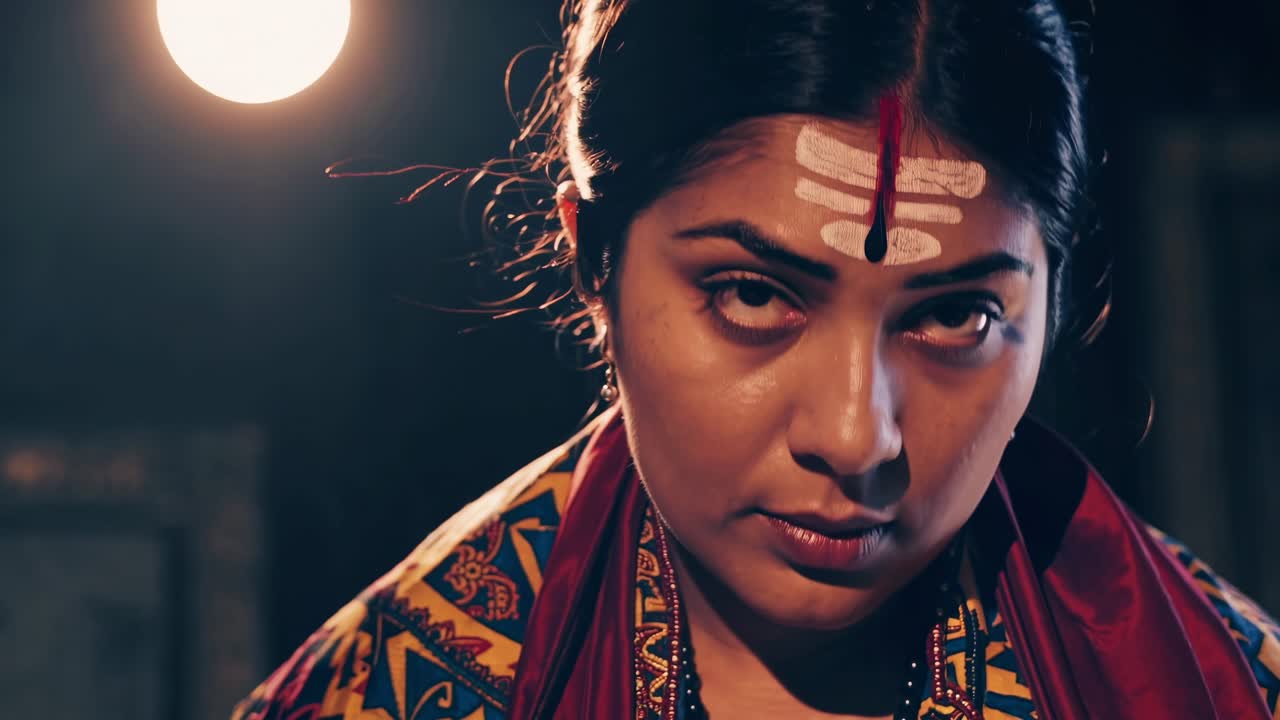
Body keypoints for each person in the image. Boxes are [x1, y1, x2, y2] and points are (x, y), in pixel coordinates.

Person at [232, 0, 1280, 718]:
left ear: (1051, 297)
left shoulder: (1221, 688)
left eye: (956, 316)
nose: (855, 438)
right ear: (593, 260)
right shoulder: (389, 693)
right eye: (753, 295)